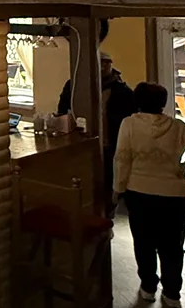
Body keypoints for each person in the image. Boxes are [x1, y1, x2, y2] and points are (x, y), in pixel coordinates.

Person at [112, 81, 185, 308]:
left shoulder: (129, 124)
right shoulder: (177, 127)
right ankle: (172, 294)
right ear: (163, 103)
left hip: (139, 192)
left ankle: (148, 287)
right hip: (175, 194)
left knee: (143, 244)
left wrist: (118, 190)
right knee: (172, 247)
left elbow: (122, 159)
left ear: (137, 101)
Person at [58, 45, 136, 207]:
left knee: (108, 181)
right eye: (100, 63)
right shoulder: (74, 85)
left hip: (111, 144)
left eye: (106, 63)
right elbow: (62, 109)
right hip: (81, 142)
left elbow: (131, 118)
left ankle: (107, 211)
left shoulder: (122, 91)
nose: (103, 66)